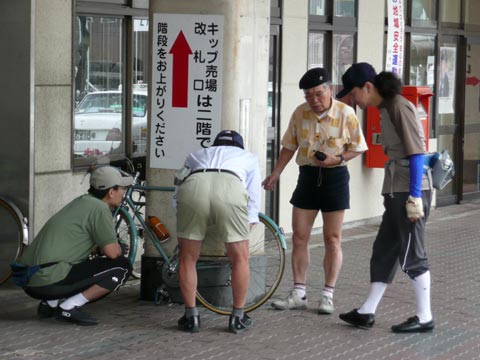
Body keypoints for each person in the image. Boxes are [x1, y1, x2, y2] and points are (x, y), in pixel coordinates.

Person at [336, 62, 435, 333]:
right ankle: (367, 311)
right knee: (384, 250)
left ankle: (425, 316)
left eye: (353, 93)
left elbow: (417, 153)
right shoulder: (385, 107)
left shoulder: (399, 106)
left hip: (409, 190)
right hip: (396, 189)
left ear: (368, 87)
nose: (353, 99)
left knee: (411, 253)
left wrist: (414, 196)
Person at [263, 68, 368, 314]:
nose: (314, 100)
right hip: (308, 177)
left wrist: (339, 159)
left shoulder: (346, 113)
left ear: (329, 90)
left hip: (335, 177)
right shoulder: (300, 114)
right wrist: (276, 173)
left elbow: (359, 147)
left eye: (319, 94)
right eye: (308, 95)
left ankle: (327, 295)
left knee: (333, 238)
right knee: (300, 236)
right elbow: (289, 146)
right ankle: (299, 292)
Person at [19, 166, 133, 326]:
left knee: (81, 260)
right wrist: (119, 247)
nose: (123, 192)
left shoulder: (81, 202)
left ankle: (49, 304)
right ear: (111, 192)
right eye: (122, 188)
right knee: (122, 266)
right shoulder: (100, 209)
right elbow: (113, 253)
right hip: (47, 280)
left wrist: (100, 249)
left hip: (29, 278)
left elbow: (74, 244)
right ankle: (69, 307)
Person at [175, 130, 261, 334]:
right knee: (240, 258)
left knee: (187, 258)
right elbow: (254, 195)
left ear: (213, 146)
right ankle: (238, 317)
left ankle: (191, 317)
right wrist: (246, 225)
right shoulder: (248, 158)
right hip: (230, 187)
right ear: (239, 147)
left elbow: (178, 185)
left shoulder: (196, 155)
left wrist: (181, 211)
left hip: (194, 186)